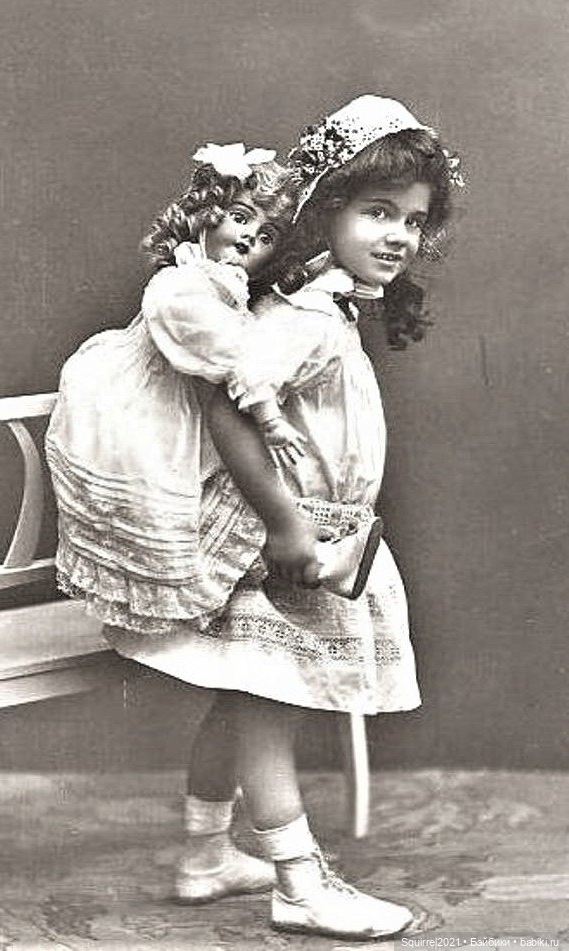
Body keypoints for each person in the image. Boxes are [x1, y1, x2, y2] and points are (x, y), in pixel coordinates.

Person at [104, 95, 462, 940]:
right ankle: (299, 880)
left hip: (305, 528)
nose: (399, 236)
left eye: (413, 220)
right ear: (323, 213)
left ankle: (204, 856)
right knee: (271, 704)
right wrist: (287, 527)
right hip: (284, 536)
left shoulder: (325, 305)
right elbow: (231, 407)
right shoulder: (304, 317)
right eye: (378, 212)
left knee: (245, 698)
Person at [45, 143, 381, 643]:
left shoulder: (226, 287)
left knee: (242, 482)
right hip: (149, 415)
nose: (249, 237)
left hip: (193, 407)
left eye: (266, 236)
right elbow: (230, 355)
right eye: (240, 218)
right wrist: (267, 410)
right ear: (204, 214)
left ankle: (315, 559)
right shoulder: (181, 287)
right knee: (193, 499)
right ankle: (309, 560)